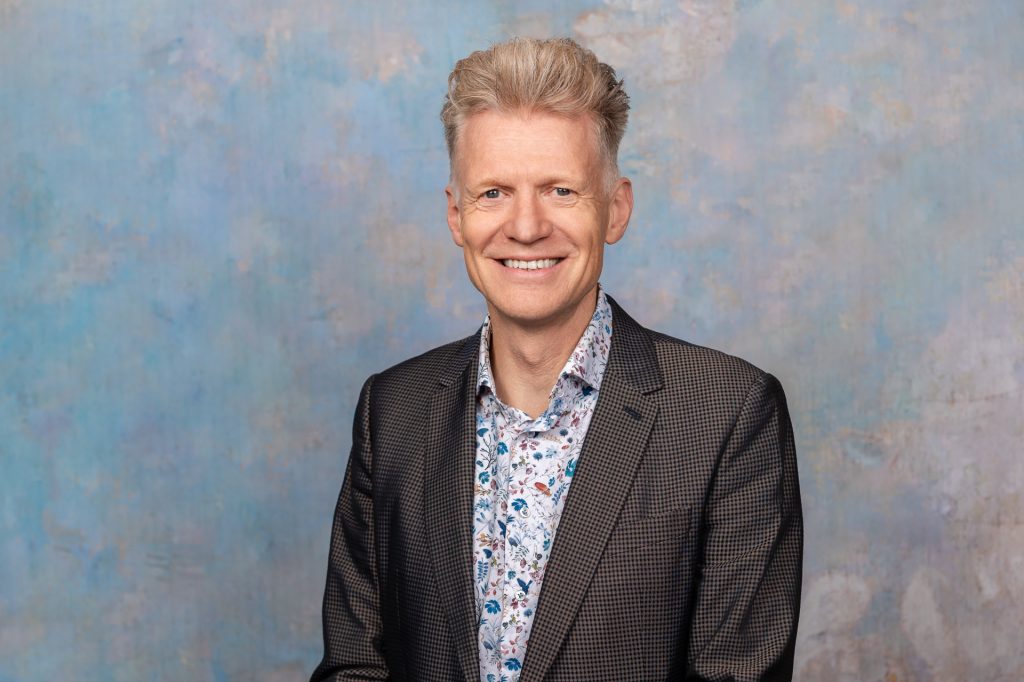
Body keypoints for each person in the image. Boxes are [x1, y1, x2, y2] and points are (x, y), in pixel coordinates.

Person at [311, 37, 802, 682]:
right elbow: (355, 667)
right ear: (456, 215)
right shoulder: (393, 411)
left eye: (561, 191)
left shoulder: (728, 414)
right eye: (493, 193)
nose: (525, 227)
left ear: (616, 209)